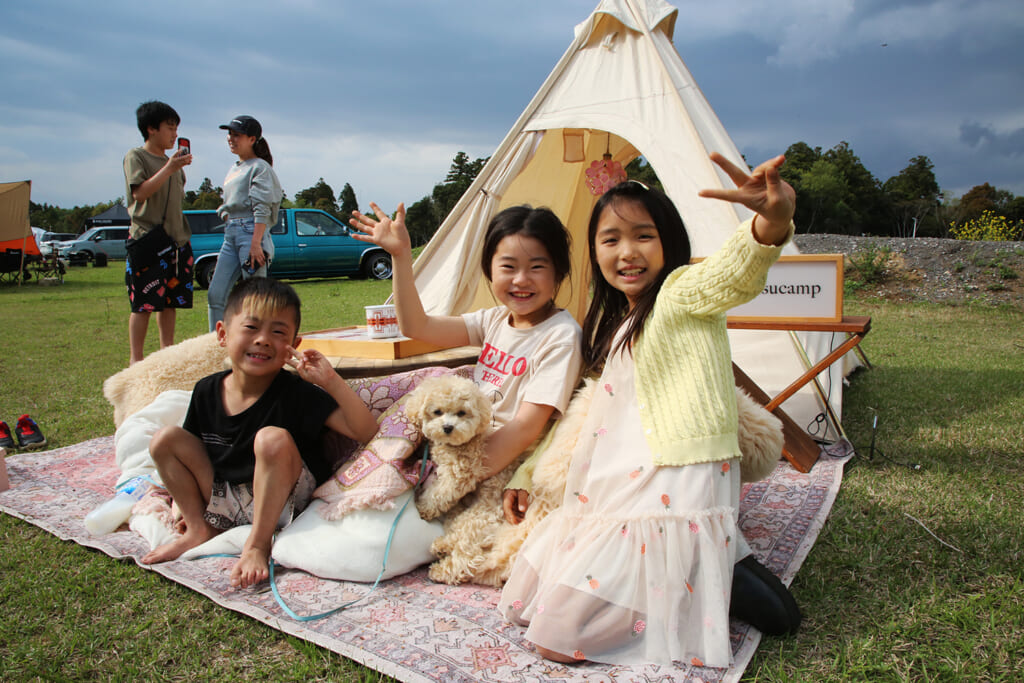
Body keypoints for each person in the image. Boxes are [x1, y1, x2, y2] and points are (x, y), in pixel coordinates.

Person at [496, 153, 797, 667]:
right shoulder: (621, 321)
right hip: (623, 479)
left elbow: (734, 274)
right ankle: (714, 573)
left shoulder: (680, 292)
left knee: (557, 640)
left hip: (676, 475)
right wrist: (530, 469)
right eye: (610, 239)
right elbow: (590, 413)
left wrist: (771, 222)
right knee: (536, 608)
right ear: (594, 252)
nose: (627, 252)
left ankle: (710, 578)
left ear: (669, 244)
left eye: (643, 235)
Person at [141, 277, 378, 588]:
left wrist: (330, 381)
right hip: (223, 496)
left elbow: (367, 432)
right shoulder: (206, 390)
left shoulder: (298, 392)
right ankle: (200, 528)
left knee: (271, 438)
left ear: (294, 345)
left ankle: (257, 544)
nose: (264, 340)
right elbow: (190, 453)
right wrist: (179, 502)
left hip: (283, 500)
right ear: (223, 334)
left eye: (278, 332)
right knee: (165, 439)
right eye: (251, 328)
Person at [350, 203, 583, 479]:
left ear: (558, 271)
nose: (521, 280)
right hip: (458, 442)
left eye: (536, 267)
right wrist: (400, 257)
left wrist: (455, 477)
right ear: (489, 269)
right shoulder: (495, 319)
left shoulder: (561, 336)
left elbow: (524, 428)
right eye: (508, 266)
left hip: (497, 465)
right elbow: (417, 325)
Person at [123, 100, 194, 365]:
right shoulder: (136, 156)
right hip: (148, 242)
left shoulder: (171, 162)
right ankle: (136, 361)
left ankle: (167, 354)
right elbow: (140, 193)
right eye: (170, 127)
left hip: (176, 241)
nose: (175, 134)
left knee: (170, 302)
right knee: (143, 303)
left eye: (176, 128)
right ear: (152, 129)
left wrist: (173, 167)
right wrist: (170, 168)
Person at [207, 115, 283, 332]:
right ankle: (215, 344)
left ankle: (255, 342)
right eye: (229, 134)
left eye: (236, 135)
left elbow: (262, 207)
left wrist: (256, 243)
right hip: (232, 231)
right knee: (216, 293)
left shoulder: (260, 167)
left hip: (251, 231)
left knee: (253, 296)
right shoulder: (234, 168)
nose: (231, 138)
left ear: (252, 139)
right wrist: (226, 215)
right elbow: (230, 203)